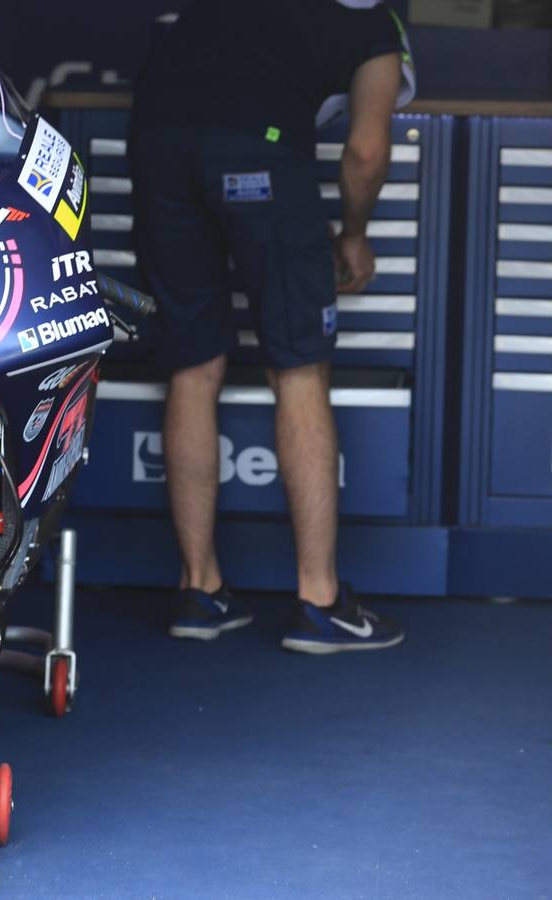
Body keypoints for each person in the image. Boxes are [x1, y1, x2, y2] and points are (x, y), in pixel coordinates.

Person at [128, 0, 416, 653]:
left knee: (193, 367)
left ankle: (199, 591)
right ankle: (319, 602)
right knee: (298, 369)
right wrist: (356, 233)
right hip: (258, 151)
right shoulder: (375, 21)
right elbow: (367, 148)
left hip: (157, 144)